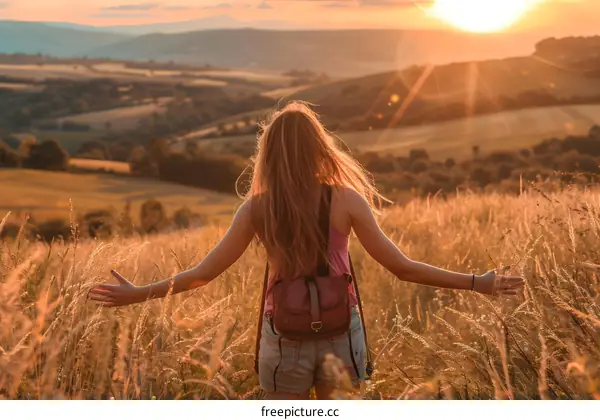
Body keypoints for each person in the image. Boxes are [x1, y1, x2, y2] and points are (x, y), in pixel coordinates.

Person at [88, 101, 525, 400]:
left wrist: (137, 293)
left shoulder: (257, 209)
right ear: (321, 147)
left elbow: (203, 275)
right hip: (342, 333)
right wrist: (478, 283)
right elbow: (403, 269)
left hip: (285, 337)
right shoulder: (348, 200)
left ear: (269, 154)